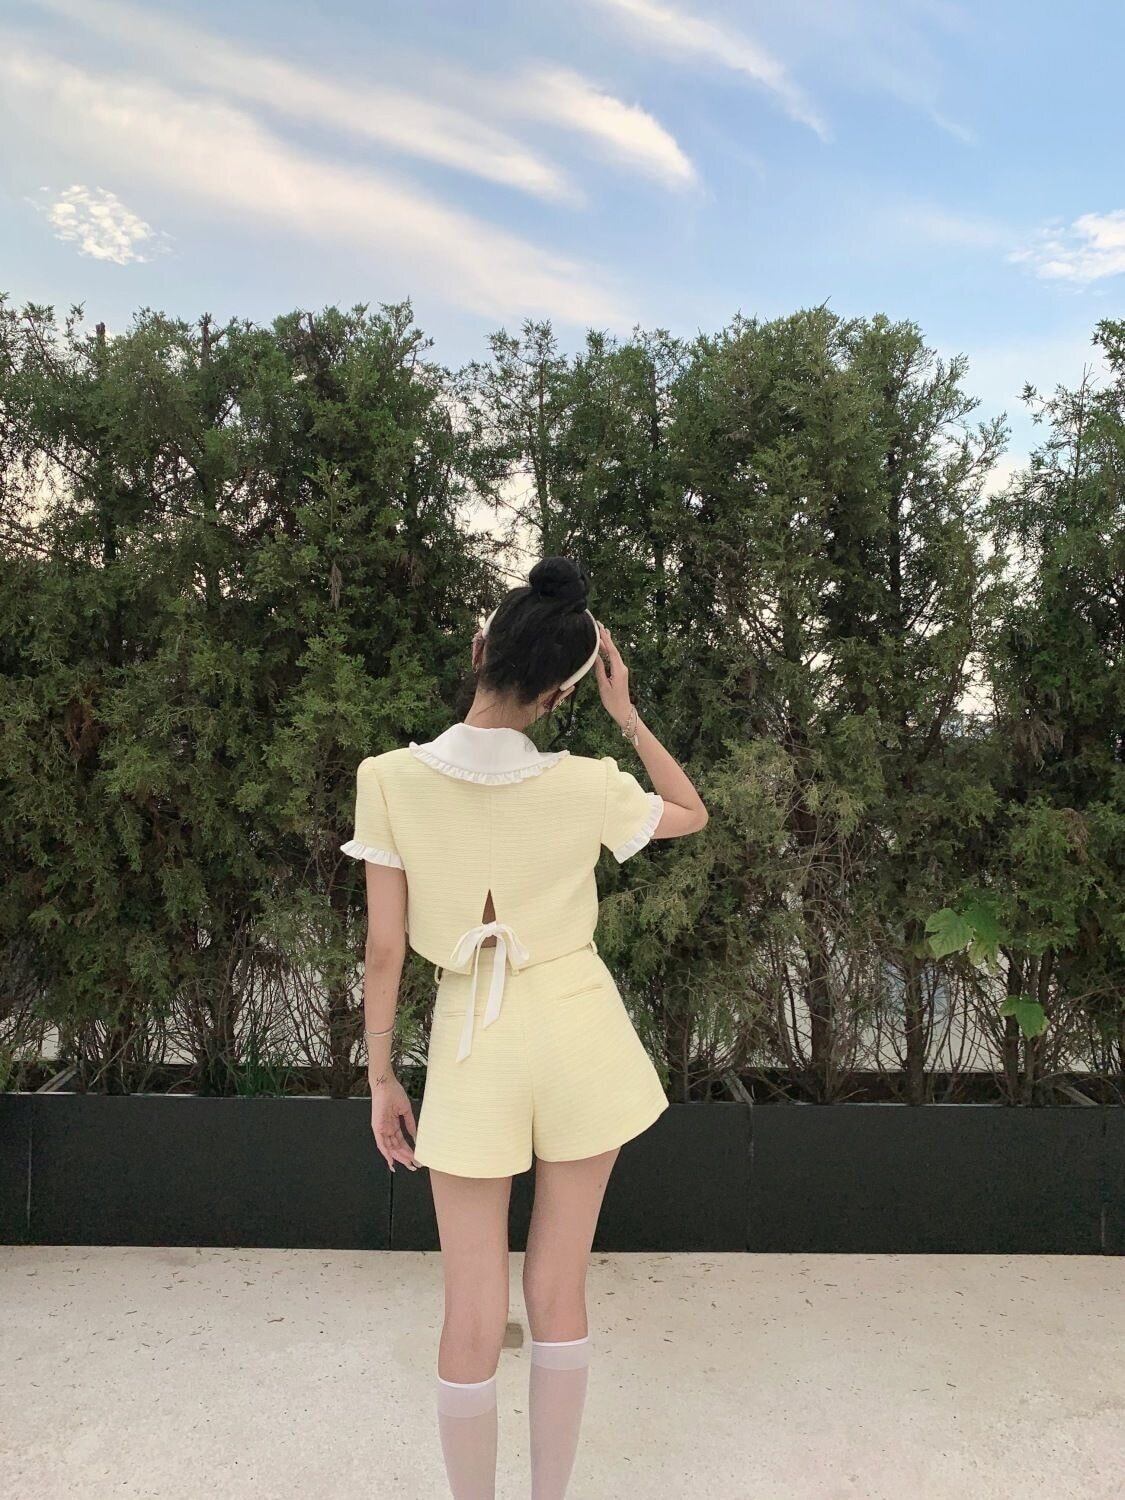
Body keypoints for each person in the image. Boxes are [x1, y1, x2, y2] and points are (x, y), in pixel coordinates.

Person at [340, 556, 708, 1499]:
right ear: (559, 695)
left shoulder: (387, 779)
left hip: (473, 1045)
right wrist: (627, 715)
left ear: (479, 650)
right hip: (581, 1034)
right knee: (557, 1289)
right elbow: (689, 813)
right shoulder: (585, 781)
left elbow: (384, 950)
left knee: (471, 1313)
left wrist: (381, 1078)